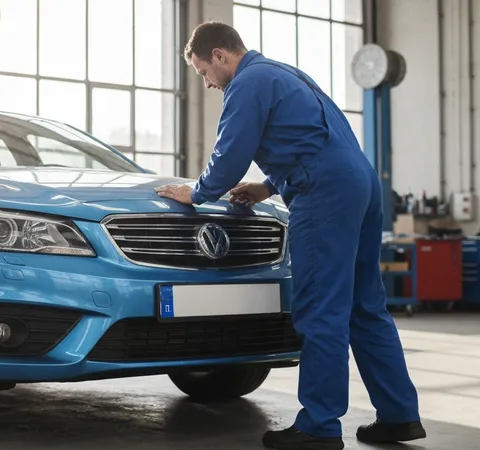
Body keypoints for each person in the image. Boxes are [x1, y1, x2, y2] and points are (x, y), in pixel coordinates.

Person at [154, 21, 425, 450]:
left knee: (322, 308)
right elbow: (316, 141)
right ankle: (399, 415)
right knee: (365, 306)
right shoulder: (288, 74)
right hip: (361, 184)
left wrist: (197, 192)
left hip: (324, 196)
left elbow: (231, 153)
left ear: (221, 56)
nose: (206, 84)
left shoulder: (246, 84)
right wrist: (268, 187)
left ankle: (319, 425)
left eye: (204, 72)